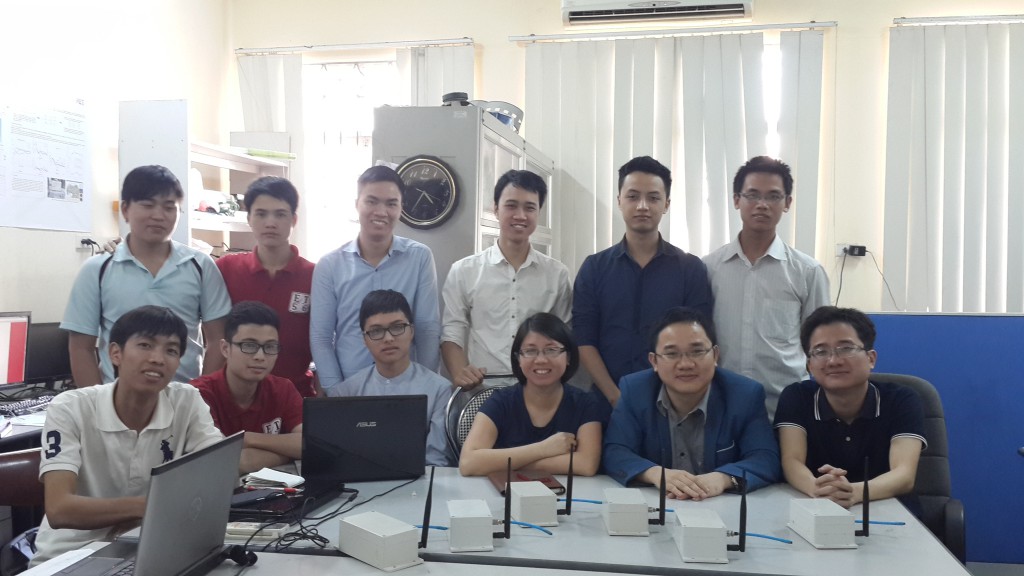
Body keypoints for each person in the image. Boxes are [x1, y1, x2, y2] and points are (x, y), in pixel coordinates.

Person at [34, 306, 225, 564]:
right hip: (69, 556)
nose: (158, 358)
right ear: (115, 353)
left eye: (171, 350)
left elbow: (219, 473)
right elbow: (59, 509)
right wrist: (149, 508)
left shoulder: (186, 400)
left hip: (145, 548)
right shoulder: (69, 407)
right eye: (145, 345)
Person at [61, 165, 232, 386]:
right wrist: (98, 404)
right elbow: (81, 347)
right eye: (147, 205)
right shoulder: (97, 270)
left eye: (169, 207)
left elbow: (218, 340)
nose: (158, 216)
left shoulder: (200, 266)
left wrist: (200, 397)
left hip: (183, 401)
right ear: (125, 210)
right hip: (118, 403)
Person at [573, 156, 713, 415]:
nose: (642, 206)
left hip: (673, 406)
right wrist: (616, 398)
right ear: (619, 201)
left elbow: (698, 341)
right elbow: (584, 340)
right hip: (607, 404)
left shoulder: (690, 269)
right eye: (633, 196)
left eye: (653, 198)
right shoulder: (594, 268)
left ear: (666, 204)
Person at [603, 307, 780, 499]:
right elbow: (615, 451)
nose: (685, 364)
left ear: (715, 355)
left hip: (721, 505)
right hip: (656, 503)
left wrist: (722, 478)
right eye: (672, 354)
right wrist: (656, 474)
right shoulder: (635, 390)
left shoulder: (745, 394)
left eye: (697, 352)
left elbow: (765, 458)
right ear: (654, 361)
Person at [703, 156, 829, 418]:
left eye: (773, 196)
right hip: (721, 407)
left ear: (787, 203)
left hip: (786, 409)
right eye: (752, 195)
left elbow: (821, 344)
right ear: (737, 199)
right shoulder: (709, 268)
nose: (762, 205)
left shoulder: (807, 272)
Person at [774, 306, 926, 510]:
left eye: (845, 348)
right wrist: (820, 491)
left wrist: (852, 493)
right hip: (817, 511)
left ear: (871, 358)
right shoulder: (796, 397)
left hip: (890, 512)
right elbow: (791, 461)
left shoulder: (902, 400)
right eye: (820, 352)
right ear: (809, 365)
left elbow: (904, 475)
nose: (834, 361)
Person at [310, 165, 441, 389]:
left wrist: (425, 386)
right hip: (349, 385)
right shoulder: (330, 265)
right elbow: (321, 337)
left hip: (406, 387)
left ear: (401, 208)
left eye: (391, 203)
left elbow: (427, 328)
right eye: (371, 201)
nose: (381, 212)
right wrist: (336, 393)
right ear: (357, 204)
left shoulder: (419, 257)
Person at [442, 170, 572, 388]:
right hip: (483, 390)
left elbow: (565, 336)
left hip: (539, 390)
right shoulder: (464, 271)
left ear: (538, 213)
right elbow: (452, 331)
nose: (520, 215)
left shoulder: (557, 274)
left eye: (529, 207)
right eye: (511, 205)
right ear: (496, 209)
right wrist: (461, 374)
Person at [459, 313, 603, 477]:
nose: (541, 359)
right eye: (530, 351)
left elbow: (586, 465)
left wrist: (505, 463)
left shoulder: (585, 403)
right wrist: (543, 449)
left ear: (568, 356)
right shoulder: (500, 401)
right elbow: (468, 463)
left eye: (551, 350)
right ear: (518, 359)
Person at [216, 176, 317, 397]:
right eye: (261, 214)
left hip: (296, 394)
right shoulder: (225, 269)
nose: (270, 223)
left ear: (294, 220)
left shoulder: (315, 275)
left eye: (280, 214)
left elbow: (323, 338)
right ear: (249, 218)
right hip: (236, 397)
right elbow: (214, 336)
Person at [324, 290, 450, 467]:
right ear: (364, 339)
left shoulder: (439, 389)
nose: (389, 338)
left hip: (420, 486)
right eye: (376, 331)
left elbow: (436, 462)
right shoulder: (345, 393)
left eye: (398, 327)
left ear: (411, 331)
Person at [191, 301, 303, 470]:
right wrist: (287, 452)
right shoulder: (198, 394)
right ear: (225, 348)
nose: (260, 356)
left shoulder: (283, 388)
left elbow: (309, 443)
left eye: (270, 347)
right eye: (249, 346)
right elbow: (227, 462)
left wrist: (248, 438)